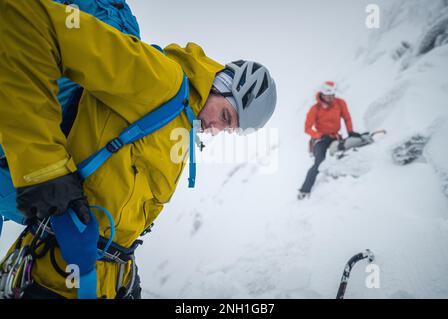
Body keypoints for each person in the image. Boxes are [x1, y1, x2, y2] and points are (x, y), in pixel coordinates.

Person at [0, 0, 277, 299]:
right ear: (218, 85)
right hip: (52, 279)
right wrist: (43, 169)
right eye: (225, 116)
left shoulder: (182, 126)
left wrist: (124, 268)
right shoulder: (161, 81)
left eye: (229, 129)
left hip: (105, 282)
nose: (217, 129)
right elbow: (27, 18)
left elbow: (121, 204)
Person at [298, 81, 361, 199]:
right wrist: (319, 135)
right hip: (320, 139)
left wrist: (350, 131)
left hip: (335, 137)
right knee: (319, 162)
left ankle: (342, 179)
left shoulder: (340, 103)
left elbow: (347, 118)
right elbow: (307, 128)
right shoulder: (315, 108)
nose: (331, 98)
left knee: (346, 151)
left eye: (332, 95)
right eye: (328, 96)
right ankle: (304, 190)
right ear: (322, 94)